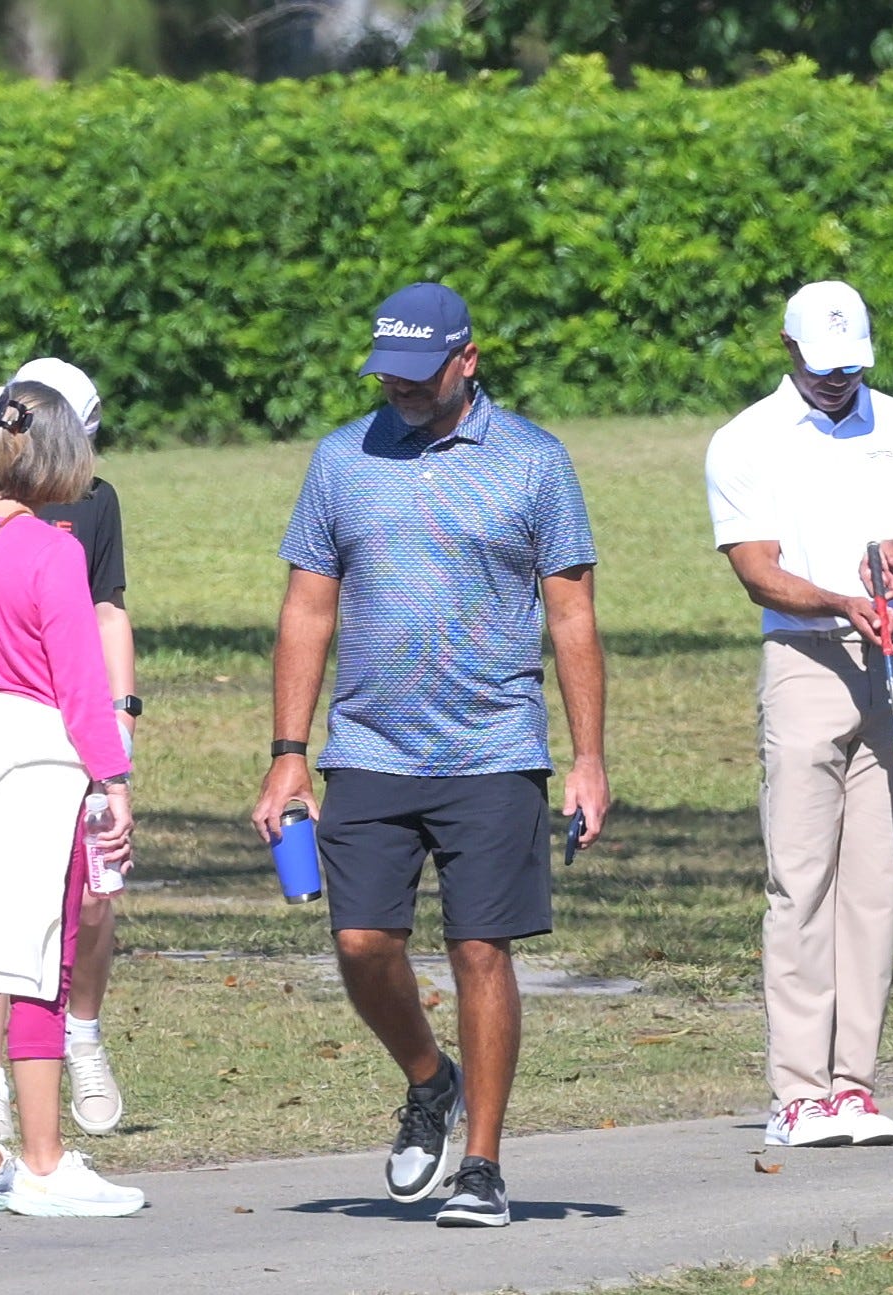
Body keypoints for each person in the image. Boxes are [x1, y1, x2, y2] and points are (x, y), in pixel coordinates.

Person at [251, 282, 610, 1227]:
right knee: (362, 941)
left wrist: (588, 757)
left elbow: (571, 613)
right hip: (368, 742)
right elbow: (307, 607)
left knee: (480, 950)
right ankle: (429, 1078)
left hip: (495, 746)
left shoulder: (535, 462)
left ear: (468, 360)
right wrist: (289, 752)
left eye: (419, 375)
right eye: (388, 375)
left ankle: (483, 1164)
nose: (401, 391)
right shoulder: (341, 459)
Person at [703, 279, 893, 1149]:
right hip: (805, 661)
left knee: (876, 882)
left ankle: (853, 1083)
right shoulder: (746, 440)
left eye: (850, 368)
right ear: (789, 350)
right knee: (802, 878)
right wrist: (840, 601)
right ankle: (797, 1090)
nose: (836, 382)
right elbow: (757, 571)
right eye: (822, 368)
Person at [0, 380, 142, 1216]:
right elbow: (82, 686)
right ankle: (44, 1164)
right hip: (41, 764)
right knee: (42, 965)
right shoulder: (55, 551)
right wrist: (112, 779)